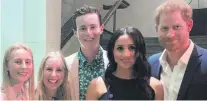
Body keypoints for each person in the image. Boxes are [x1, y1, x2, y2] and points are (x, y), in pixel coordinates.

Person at [148, 0, 207, 100]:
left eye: (176, 27)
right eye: (164, 28)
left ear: (189, 26)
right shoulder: (151, 63)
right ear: (156, 29)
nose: (170, 35)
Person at [86, 26, 163, 100]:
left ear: (139, 51)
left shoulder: (155, 86)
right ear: (112, 51)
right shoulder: (96, 86)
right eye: (120, 48)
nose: (126, 54)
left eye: (132, 48)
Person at [65, 5, 108, 100]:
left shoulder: (114, 61)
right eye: (83, 28)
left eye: (93, 27)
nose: (88, 33)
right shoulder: (65, 65)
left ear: (101, 29)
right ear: (75, 33)